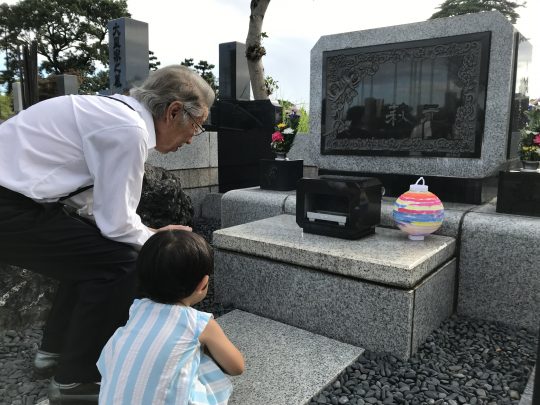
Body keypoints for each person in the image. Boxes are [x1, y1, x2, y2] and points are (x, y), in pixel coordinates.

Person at [0, 65, 215, 404]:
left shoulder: (114, 114)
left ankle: (54, 351)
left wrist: (148, 232)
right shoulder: (129, 130)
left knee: (95, 251)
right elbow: (116, 224)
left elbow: (94, 210)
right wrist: (159, 239)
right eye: (197, 124)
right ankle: (76, 380)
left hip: (17, 199)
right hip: (10, 205)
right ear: (174, 111)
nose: (192, 137)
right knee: (121, 264)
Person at [97, 230, 244, 404]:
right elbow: (236, 367)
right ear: (203, 284)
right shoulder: (198, 323)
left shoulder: (137, 309)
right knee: (199, 357)